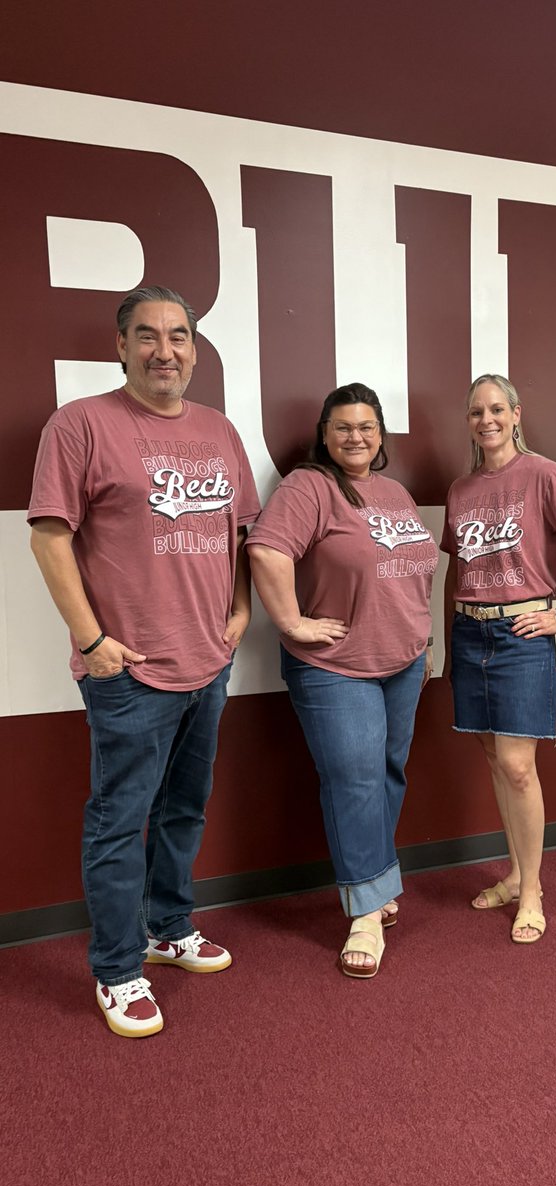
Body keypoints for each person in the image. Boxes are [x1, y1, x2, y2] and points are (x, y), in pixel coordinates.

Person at [28, 285, 260, 1037]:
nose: (167, 350)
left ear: (196, 347)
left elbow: (245, 535)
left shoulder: (220, 431)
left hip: (209, 663)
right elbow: (50, 537)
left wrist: (240, 610)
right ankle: (119, 967)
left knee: (184, 809)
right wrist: (93, 643)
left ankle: (168, 928)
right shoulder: (81, 425)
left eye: (181, 336)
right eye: (150, 336)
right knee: (118, 822)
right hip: (129, 672)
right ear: (121, 345)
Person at [246, 383, 436, 978]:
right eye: (343, 426)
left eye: (367, 426)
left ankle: (375, 881)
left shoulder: (395, 492)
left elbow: (411, 571)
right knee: (353, 780)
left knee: (386, 773)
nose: (356, 436)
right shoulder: (310, 487)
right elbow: (268, 550)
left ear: (381, 435)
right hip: (336, 667)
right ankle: (364, 911)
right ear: (324, 435)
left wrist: (422, 638)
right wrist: (291, 622)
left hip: (403, 661)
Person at [442, 374, 556, 944]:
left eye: (497, 409)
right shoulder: (461, 488)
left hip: (522, 636)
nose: (486, 420)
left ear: (516, 414)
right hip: (470, 635)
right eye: (476, 412)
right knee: (496, 762)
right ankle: (515, 875)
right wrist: (447, 643)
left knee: (519, 767)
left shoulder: (543, 473)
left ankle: (535, 889)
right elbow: (458, 568)